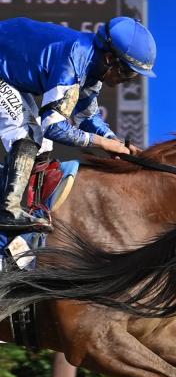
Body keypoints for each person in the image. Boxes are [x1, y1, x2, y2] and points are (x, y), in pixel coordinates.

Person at [0, 16, 155, 233]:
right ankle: (7, 212)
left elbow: (87, 117)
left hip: (8, 68)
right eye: (128, 72)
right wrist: (101, 143)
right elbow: (52, 126)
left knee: (42, 147)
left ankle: (28, 209)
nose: (129, 80)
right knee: (28, 135)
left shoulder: (92, 65)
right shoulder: (74, 60)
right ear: (110, 58)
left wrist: (114, 141)